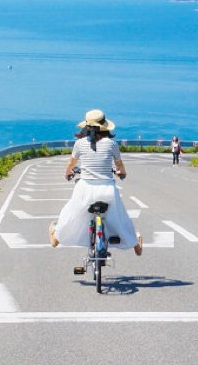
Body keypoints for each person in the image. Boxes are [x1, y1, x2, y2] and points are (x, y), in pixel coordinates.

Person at [49, 109, 142, 256]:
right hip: (107, 191)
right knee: (120, 218)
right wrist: (122, 173)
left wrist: (68, 172)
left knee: (71, 213)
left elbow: (71, 164)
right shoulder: (111, 144)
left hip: (85, 189)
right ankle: (135, 243)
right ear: (104, 127)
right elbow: (119, 165)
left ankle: (57, 237)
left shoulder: (79, 143)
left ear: (86, 126)